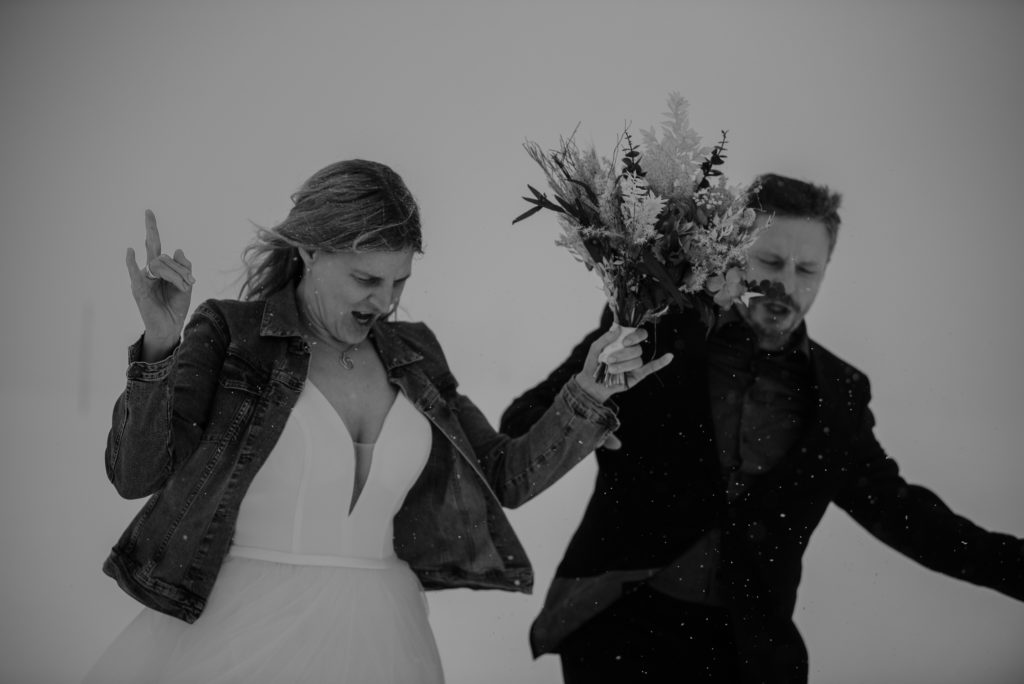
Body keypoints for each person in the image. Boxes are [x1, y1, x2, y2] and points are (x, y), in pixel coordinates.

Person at [84, 159, 672, 684]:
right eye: (366, 280)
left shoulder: (415, 352)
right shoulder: (233, 334)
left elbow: (504, 475)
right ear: (309, 251)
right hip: (240, 629)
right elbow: (136, 475)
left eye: (399, 281)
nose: (385, 301)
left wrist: (587, 392)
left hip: (386, 637)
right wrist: (160, 345)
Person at [499, 173, 1024, 683]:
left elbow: (902, 512)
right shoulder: (654, 329)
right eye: (770, 261)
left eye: (807, 269)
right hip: (615, 627)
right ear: (734, 252)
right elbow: (524, 419)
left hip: (748, 652)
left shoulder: (839, 394)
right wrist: (589, 422)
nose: (786, 284)